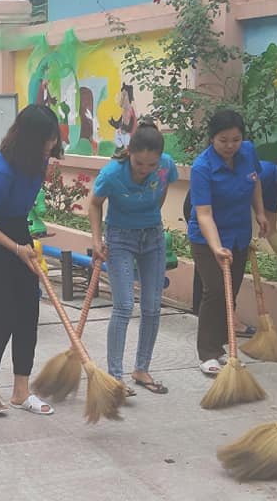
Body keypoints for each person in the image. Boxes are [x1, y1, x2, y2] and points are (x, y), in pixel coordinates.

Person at [0, 104, 63, 416]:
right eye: (47, 139)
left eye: (53, 138)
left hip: (18, 231)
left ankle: (21, 393)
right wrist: (14, 247)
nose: (52, 144)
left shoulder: (39, 160)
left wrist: (25, 242)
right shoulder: (0, 169)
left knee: (28, 313)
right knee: (3, 317)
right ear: (29, 139)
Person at [87, 116, 177, 395]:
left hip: (153, 237)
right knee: (124, 305)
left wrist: (151, 216)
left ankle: (141, 369)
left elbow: (162, 190)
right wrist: (97, 240)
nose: (145, 170)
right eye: (139, 164)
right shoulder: (113, 173)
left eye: (151, 165)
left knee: (152, 306)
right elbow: (94, 203)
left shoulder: (166, 166)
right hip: (120, 238)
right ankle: (115, 377)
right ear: (129, 154)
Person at [185, 144, 277, 315]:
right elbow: (227, 201)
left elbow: (270, 228)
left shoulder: (275, 185)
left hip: (225, 222)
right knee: (212, 269)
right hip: (202, 209)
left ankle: (216, 316)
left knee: (220, 274)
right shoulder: (264, 172)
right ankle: (216, 316)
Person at [187, 109, 269, 377]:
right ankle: (207, 353)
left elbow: (255, 182)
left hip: (239, 234)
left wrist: (260, 213)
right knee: (215, 290)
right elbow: (204, 214)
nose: (230, 146)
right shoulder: (202, 168)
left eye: (235, 139)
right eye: (223, 140)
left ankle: (223, 348)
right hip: (207, 238)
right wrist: (216, 247)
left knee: (229, 292)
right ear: (212, 138)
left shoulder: (248, 152)